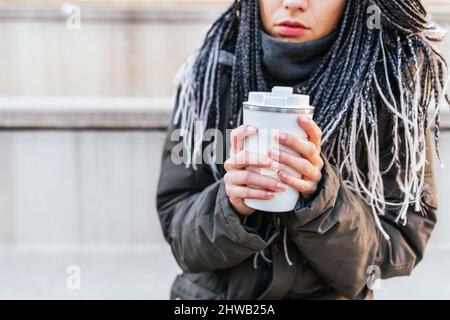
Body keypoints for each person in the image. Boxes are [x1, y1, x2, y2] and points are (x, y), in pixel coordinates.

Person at [156, 0, 448, 299]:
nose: (294, 3)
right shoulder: (207, 76)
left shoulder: (388, 86)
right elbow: (179, 232)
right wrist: (230, 206)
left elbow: (403, 241)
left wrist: (323, 201)